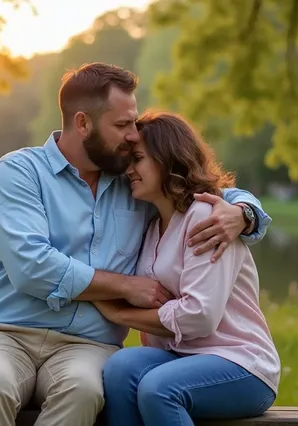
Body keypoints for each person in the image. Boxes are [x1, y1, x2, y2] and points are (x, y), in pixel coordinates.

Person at [0, 62, 273, 426]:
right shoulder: (20, 172)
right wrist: (125, 288)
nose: (132, 135)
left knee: (83, 391)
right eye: (121, 125)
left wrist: (244, 212)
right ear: (83, 123)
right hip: (2, 334)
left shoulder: (133, 181)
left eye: (132, 123)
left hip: (85, 346)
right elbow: (32, 267)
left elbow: (201, 185)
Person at [96, 111, 281, 426]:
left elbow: (200, 315)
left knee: (158, 389)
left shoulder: (209, 219)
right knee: (119, 368)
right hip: (182, 356)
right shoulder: (153, 224)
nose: (129, 170)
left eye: (138, 159)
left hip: (242, 364)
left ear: (167, 160)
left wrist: (120, 315)